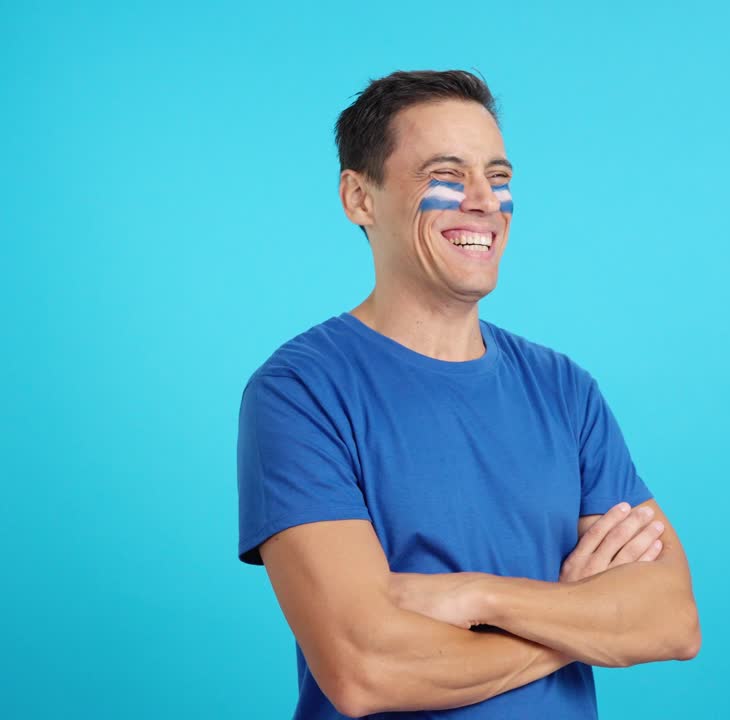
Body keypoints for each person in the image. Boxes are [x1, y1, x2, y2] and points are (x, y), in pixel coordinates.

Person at [235, 69, 700, 719]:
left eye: (499, 177)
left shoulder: (565, 391)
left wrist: (483, 597)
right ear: (359, 198)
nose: (484, 200)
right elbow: (365, 668)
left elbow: (671, 617)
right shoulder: (301, 393)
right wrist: (576, 625)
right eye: (446, 176)